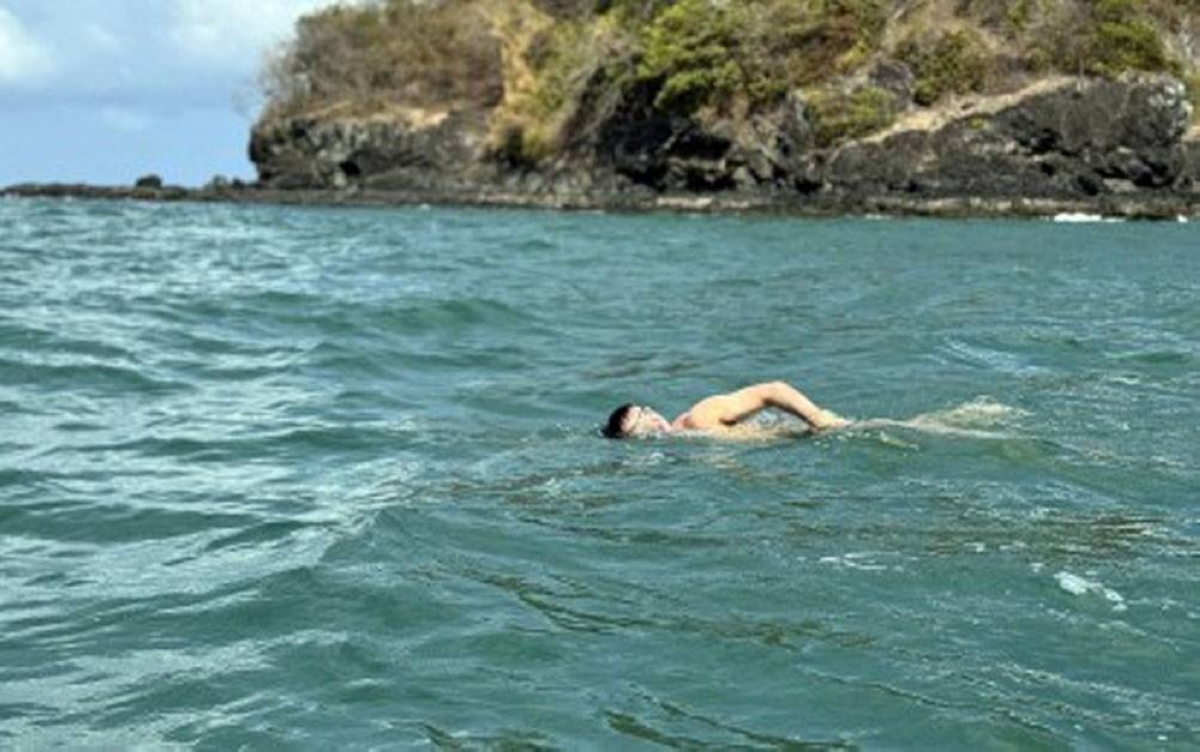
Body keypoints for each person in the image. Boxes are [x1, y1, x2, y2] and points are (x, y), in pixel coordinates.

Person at [602, 380, 848, 439]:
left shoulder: (698, 418)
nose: (651, 416)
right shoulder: (681, 443)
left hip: (822, 434)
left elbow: (772, 390)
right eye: (640, 420)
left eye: (645, 411)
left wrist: (817, 419)